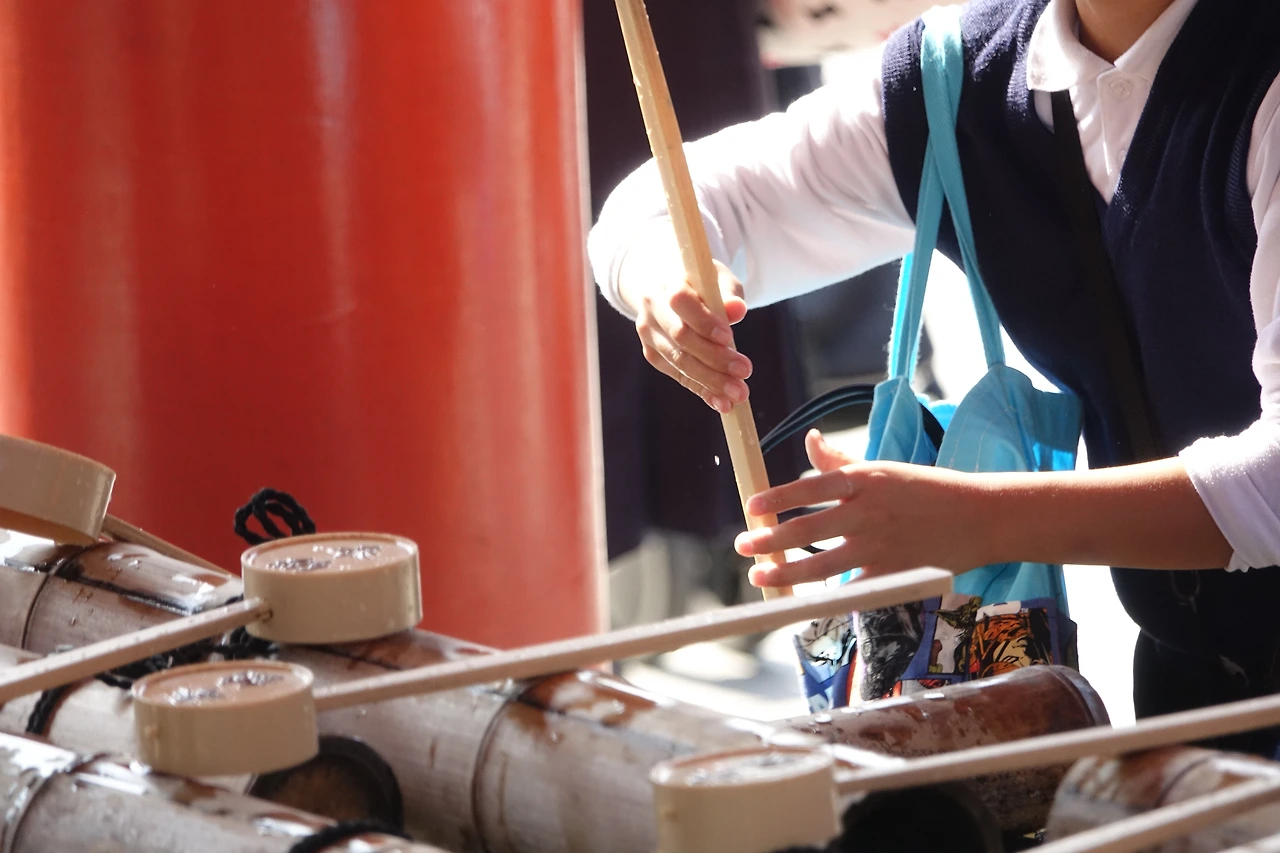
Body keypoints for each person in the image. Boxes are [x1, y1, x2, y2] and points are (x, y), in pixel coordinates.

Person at [588, 0, 1280, 752]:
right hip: (1193, 689)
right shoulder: (960, 74)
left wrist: (977, 520)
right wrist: (664, 281)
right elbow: (668, 204)